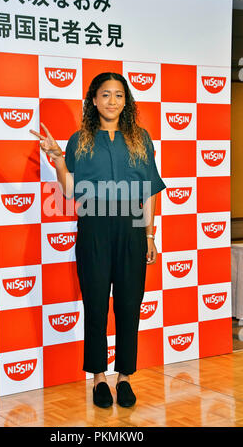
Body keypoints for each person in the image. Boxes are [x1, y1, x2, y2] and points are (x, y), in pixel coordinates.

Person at [30, 72, 166, 409]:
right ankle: (99, 379)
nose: (112, 102)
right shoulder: (81, 139)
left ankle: (125, 377)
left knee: (129, 304)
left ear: (126, 101)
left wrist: (149, 235)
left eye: (119, 95)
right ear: (93, 100)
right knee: (95, 304)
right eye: (105, 95)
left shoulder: (140, 138)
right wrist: (58, 157)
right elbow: (67, 189)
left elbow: (148, 190)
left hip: (132, 227)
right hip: (93, 224)